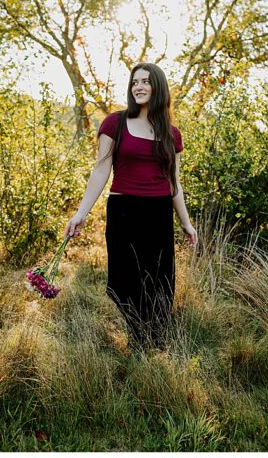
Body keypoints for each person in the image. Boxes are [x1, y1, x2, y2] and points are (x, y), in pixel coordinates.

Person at [65, 62, 198, 350]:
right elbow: (101, 170)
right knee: (126, 279)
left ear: (158, 87)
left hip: (159, 213)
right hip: (124, 210)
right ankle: (138, 332)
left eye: (145, 81)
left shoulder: (172, 134)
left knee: (159, 280)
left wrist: (186, 223)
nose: (138, 86)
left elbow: (174, 183)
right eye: (135, 81)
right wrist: (80, 214)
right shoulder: (115, 123)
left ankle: (153, 343)